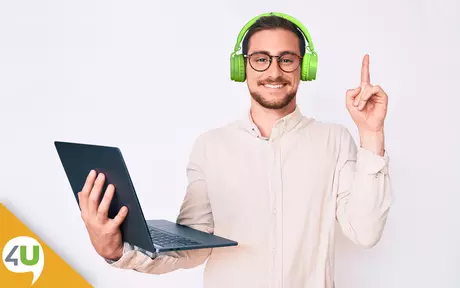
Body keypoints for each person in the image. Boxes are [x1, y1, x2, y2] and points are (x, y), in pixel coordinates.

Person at [77, 12, 393, 288]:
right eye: (261, 58)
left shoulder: (334, 140)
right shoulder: (210, 146)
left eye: (286, 58)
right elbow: (192, 247)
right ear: (241, 68)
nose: (274, 71)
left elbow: (365, 232)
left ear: (304, 67)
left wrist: (370, 132)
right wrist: (117, 251)